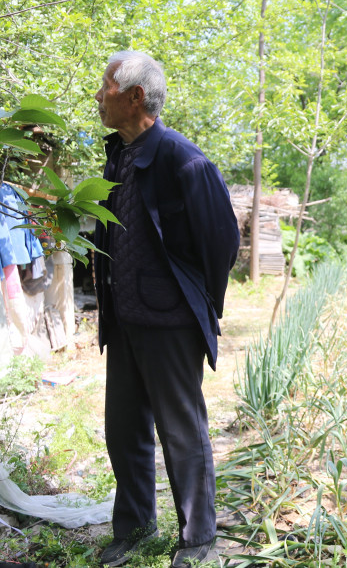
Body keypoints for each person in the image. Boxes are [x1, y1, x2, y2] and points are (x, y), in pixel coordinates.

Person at [92, 50, 240, 567]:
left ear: (134, 96)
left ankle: (198, 539)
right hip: (126, 317)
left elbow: (222, 240)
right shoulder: (121, 154)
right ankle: (134, 526)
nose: (97, 96)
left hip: (169, 322)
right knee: (123, 427)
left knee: (181, 430)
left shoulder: (184, 158)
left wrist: (198, 304)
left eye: (105, 86)